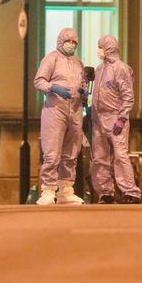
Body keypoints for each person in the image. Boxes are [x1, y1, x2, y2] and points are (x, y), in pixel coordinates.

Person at [33, 27, 87, 205]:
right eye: (68, 41)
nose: (71, 44)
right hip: (55, 109)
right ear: (60, 41)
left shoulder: (78, 62)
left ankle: (66, 189)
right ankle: (48, 190)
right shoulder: (51, 59)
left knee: (71, 152)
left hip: (76, 109)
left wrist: (83, 91)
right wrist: (53, 88)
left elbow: (83, 82)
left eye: (74, 42)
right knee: (52, 151)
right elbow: (39, 81)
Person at [90, 35, 142, 204]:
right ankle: (105, 192)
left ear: (109, 48)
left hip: (115, 118)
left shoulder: (121, 69)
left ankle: (130, 192)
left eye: (101, 46)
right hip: (98, 120)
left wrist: (122, 117)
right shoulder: (99, 70)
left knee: (120, 155)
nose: (99, 50)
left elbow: (128, 96)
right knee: (100, 157)